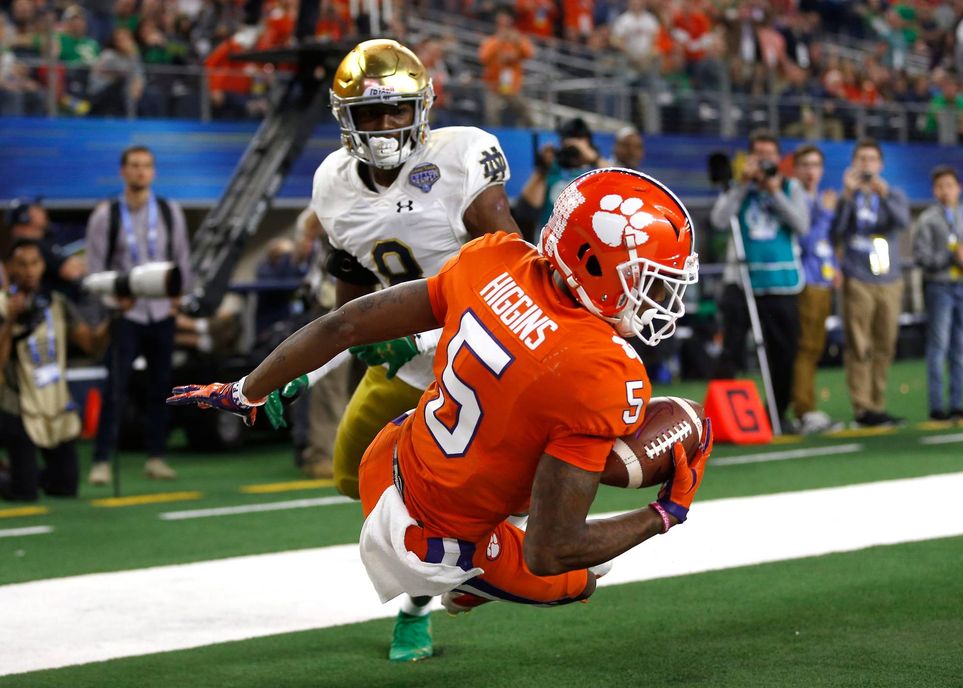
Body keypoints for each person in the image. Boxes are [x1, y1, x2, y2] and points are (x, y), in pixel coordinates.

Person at [167, 167, 712, 661]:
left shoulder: (493, 255)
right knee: (587, 573)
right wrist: (663, 514)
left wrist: (246, 389)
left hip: (387, 463)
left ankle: (492, 532)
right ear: (594, 261)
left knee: (534, 439)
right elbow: (552, 550)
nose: (657, 294)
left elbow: (343, 325)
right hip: (432, 550)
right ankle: (474, 578)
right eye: (647, 277)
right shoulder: (605, 371)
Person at [259, 39, 522, 662]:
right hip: (408, 367)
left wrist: (424, 333)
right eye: (369, 114)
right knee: (353, 475)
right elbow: (348, 303)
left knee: (465, 489)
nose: (382, 126)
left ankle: (422, 602)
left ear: (423, 107)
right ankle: (469, 550)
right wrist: (309, 365)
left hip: (487, 362)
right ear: (342, 116)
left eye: (395, 110)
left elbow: (516, 278)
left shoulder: (461, 157)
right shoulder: (332, 182)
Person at [84, 145, 192, 484]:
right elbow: (94, 271)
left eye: (146, 166)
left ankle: (156, 456)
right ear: (123, 171)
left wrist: (178, 299)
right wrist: (115, 303)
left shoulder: (168, 211)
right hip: (126, 315)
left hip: (161, 311)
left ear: (153, 172)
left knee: (161, 386)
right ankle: (102, 460)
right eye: (134, 166)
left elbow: (182, 260)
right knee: (115, 387)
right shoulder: (106, 216)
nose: (140, 171)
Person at [709, 130, 810, 430]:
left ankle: (776, 414)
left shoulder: (791, 187)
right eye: (759, 155)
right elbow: (718, 220)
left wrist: (775, 191)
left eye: (770, 154)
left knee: (784, 352)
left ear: (778, 159)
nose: (765, 160)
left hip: (782, 281)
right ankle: (722, 418)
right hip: (743, 280)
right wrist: (742, 186)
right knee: (732, 348)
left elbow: (801, 225)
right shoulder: (739, 188)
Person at [0, 239, 109, 501]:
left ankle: (24, 473)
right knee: (23, 494)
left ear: (43, 266)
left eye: (35, 263)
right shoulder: (3, 306)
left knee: (65, 486)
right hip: (18, 407)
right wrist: (12, 320)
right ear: (10, 268)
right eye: (22, 264)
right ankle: (16, 478)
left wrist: (113, 318)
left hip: (55, 402)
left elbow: (92, 345)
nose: (29, 271)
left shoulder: (56, 303)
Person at [831, 138, 910, 428]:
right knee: (859, 344)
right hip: (858, 277)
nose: (867, 164)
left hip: (889, 278)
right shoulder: (848, 196)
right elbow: (836, 229)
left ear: (881, 165)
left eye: (872, 159)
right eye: (861, 159)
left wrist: (885, 195)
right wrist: (847, 197)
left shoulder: (894, 194)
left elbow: (902, 223)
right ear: (854, 163)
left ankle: (879, 404)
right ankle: (863, 408)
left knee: (885, 343)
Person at [912, 166, 963, 422]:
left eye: (950, 185)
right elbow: (921, 257)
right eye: (940, 186)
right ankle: (937, 406)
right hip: (940, 286)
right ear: (934, 191)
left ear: (959, 188)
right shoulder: (928, 219)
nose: (945, 191)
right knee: (938, 345)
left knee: (960, 346)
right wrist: (950, 256)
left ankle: (958, 404)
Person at [790, 145, 842, 435]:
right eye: (805, 165)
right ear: (796, 169)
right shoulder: (800, 200)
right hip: (805, 281)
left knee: (814, 347)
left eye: (816, 165)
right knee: (806, 347)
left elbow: (823, 245)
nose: (811, 171)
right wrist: (825, 214)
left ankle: (805, 406)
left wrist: (834, 265)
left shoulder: (817, 199)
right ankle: (804, 409)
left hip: (822, 280)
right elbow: (808, 242)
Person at [513, 117, 607, 243]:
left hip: (587, 242)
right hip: (551, 243)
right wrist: (542, 169)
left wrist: (593, 158)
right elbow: (526, 210)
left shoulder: (597, 170)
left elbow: (621, 184)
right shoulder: (552, 168)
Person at [478, 8, 535, 127]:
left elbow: (529, 53)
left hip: (512, 87)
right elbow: (483, 57)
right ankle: (493, 138)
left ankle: (529, 136)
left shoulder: (517, 39)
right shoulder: (492, 41)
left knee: (526, 110)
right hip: (493, 86)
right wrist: (499, 41)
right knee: (491, 113)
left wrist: (517, 41)